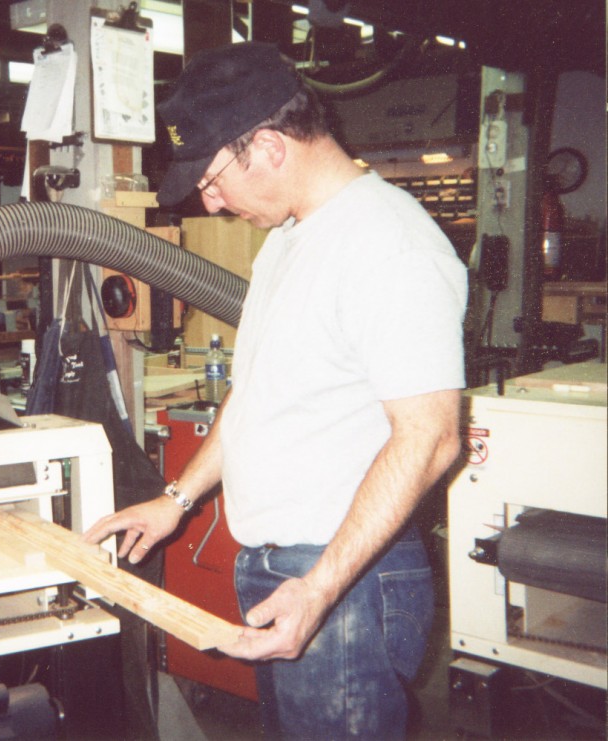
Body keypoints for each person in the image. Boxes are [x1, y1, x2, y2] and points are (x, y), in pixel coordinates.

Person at [84, 42, 467, 739]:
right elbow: (256, 395)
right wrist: (177, 500)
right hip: (280, 568)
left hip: (345, 580)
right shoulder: (288, 243)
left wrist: (319, 587)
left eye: (212, 178)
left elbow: (432, 436)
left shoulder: (390, 243)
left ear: (266, 144)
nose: (211, 200)